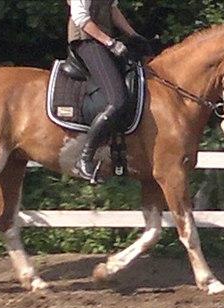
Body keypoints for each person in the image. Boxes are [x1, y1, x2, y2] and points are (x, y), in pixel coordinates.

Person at [67, 0, 150, 183]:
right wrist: (110, 42)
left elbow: (111, 9)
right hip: (86, 41)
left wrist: (134, 35)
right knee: (117, 100)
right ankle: (85, 158)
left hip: (103, 41)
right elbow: (80, 17)